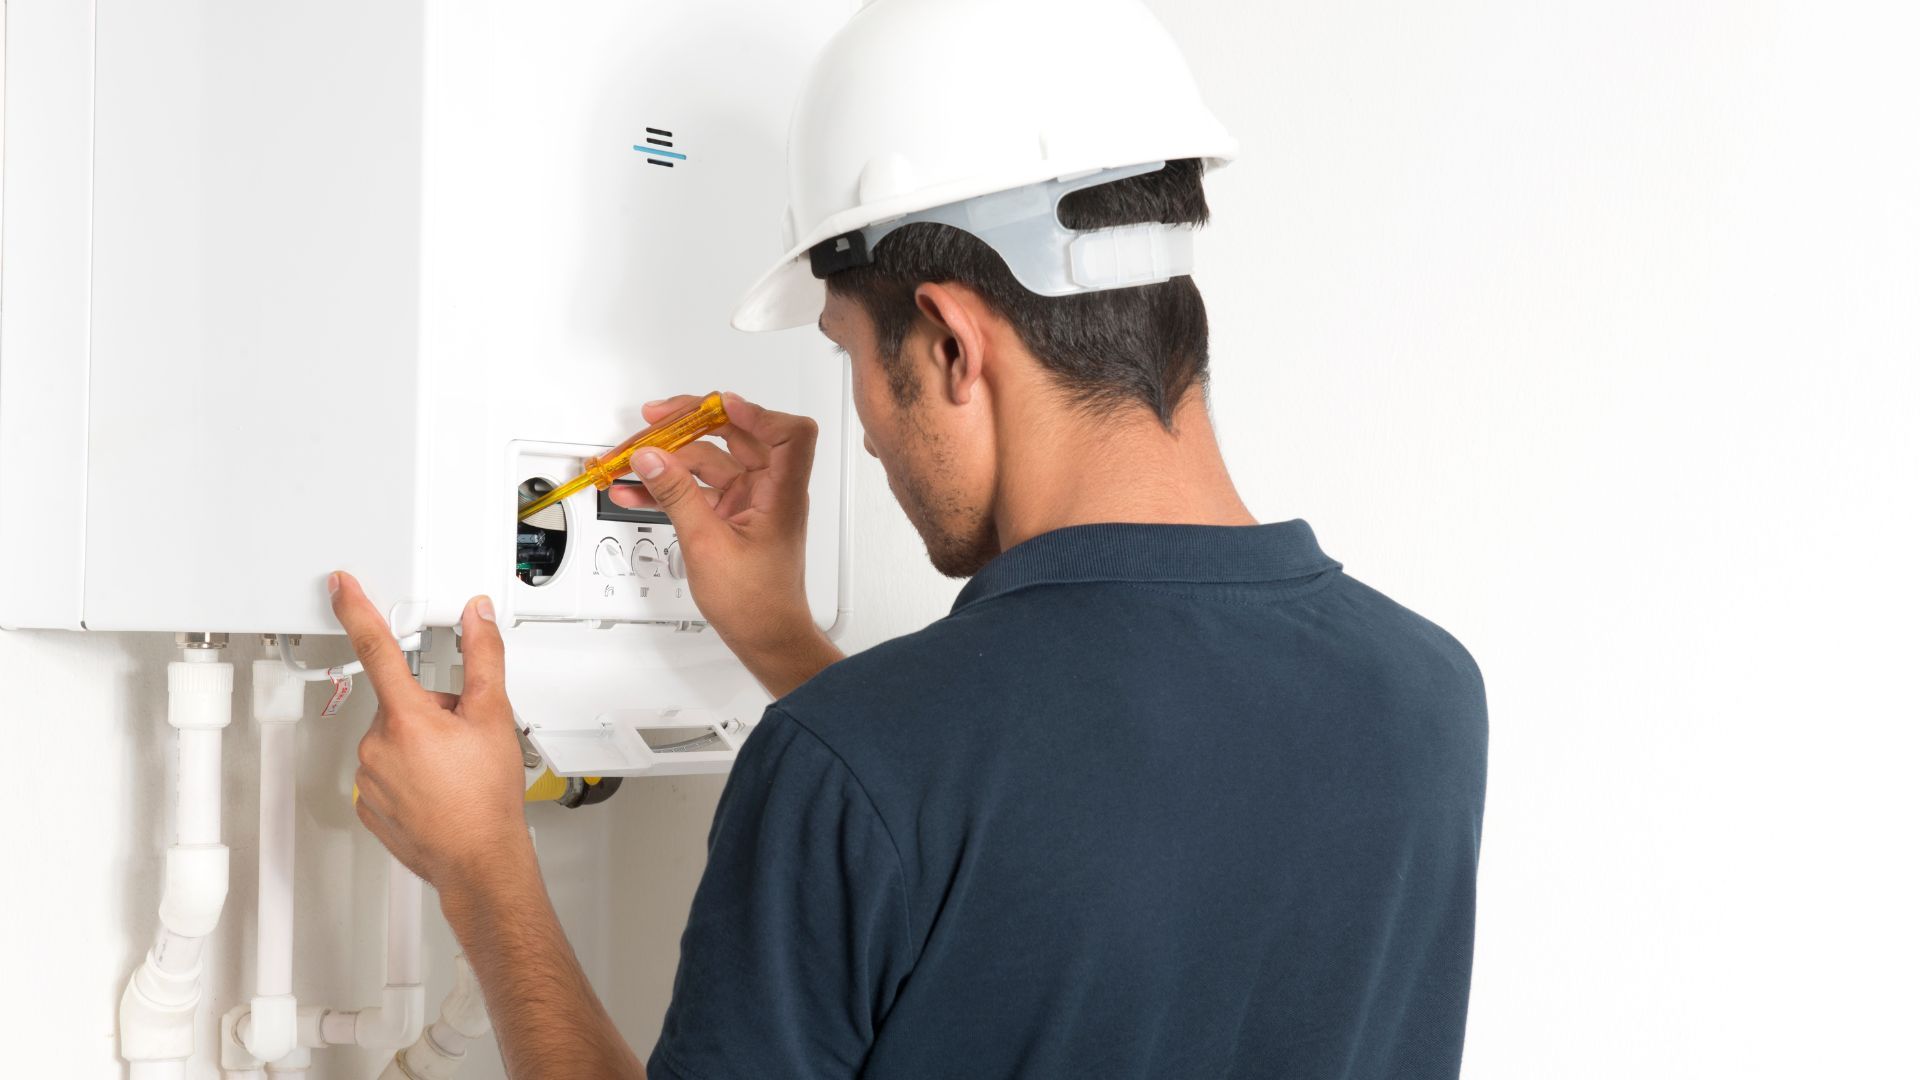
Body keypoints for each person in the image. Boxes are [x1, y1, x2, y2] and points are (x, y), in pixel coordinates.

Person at [332, 0, 1488, 1076]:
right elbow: (1041, 839)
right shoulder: (1427, 698)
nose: (869, 437)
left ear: (949, 342)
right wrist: (785, 643)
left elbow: (960, 800)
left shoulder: (850, 767)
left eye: (847, 358)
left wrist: (484, 869)